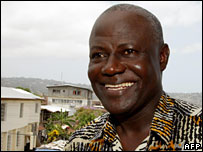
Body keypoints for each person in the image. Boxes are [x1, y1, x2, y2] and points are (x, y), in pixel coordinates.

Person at [64, 4, 202, 151]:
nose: (110, 68)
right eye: (98, 55)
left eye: (129, 52)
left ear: (162, 57)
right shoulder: (80, 144)